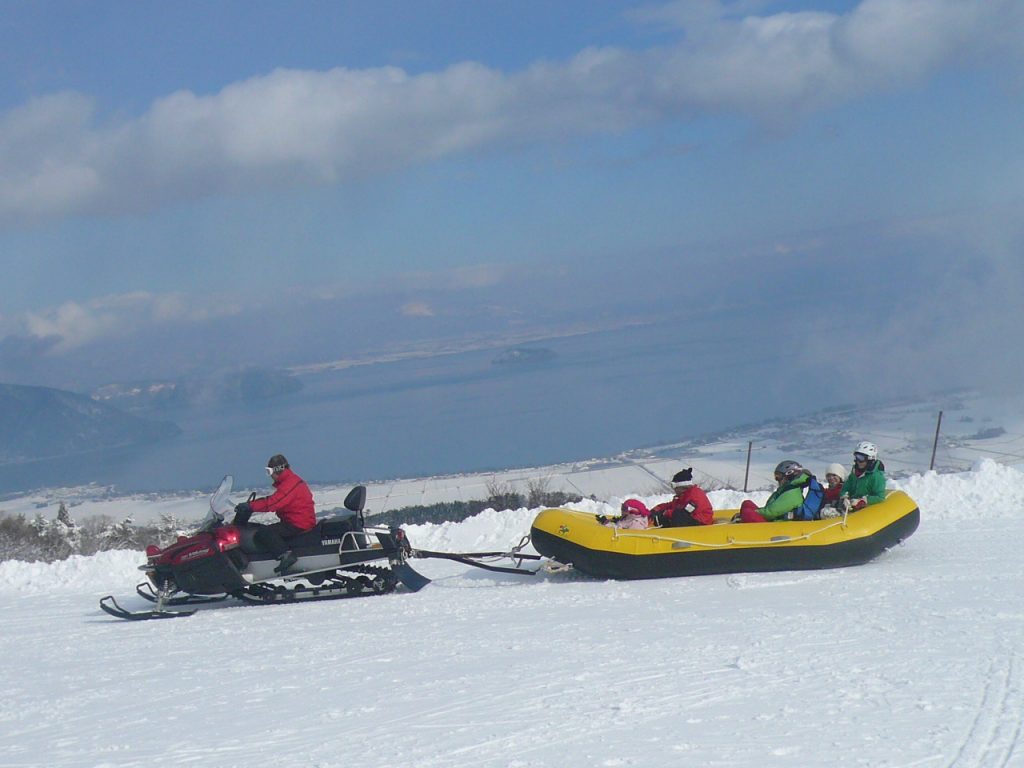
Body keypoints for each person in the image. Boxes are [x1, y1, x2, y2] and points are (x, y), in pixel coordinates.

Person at [233, 454, 316, 574]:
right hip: (297, 521)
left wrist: (250, 506)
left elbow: (273, 503)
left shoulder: (290, 484)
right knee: (265, 529)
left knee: (264, 532)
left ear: (277, 470)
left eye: (269, 471)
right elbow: (272, 499)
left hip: (298, 523)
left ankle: (286, 556)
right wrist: (252, 504)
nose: (270, 475)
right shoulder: (290, 481)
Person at [736, 460, 823, 523]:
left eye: (779, 476)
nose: (777, 479)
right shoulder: (786, 490)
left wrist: (753, 513)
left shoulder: (792, 494)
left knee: (747, 513)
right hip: (775, 521)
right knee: (747, 504)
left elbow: (770, 512)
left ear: (789, 475)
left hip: (780, 525)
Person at [649, 468, 714, 527]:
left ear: (681, 486)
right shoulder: (683, 496)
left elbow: (684, 513)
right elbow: (671, 505)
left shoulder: (695, 496)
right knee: (671, 518)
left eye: (674, 486)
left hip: (701, 522)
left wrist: (665, 513)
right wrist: (657, 509)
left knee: (677, 519)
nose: (674, 489)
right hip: (691, 519)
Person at [837, 441, 887, 513]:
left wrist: (863, 501)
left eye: (861, 458)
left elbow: (880, 497)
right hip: (851, 506)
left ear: (870, 459)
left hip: (867, 510)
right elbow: (846, 487)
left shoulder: (876, 476)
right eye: (856, 457)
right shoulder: (855, 472)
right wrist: (845, 497)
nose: (858, 461)